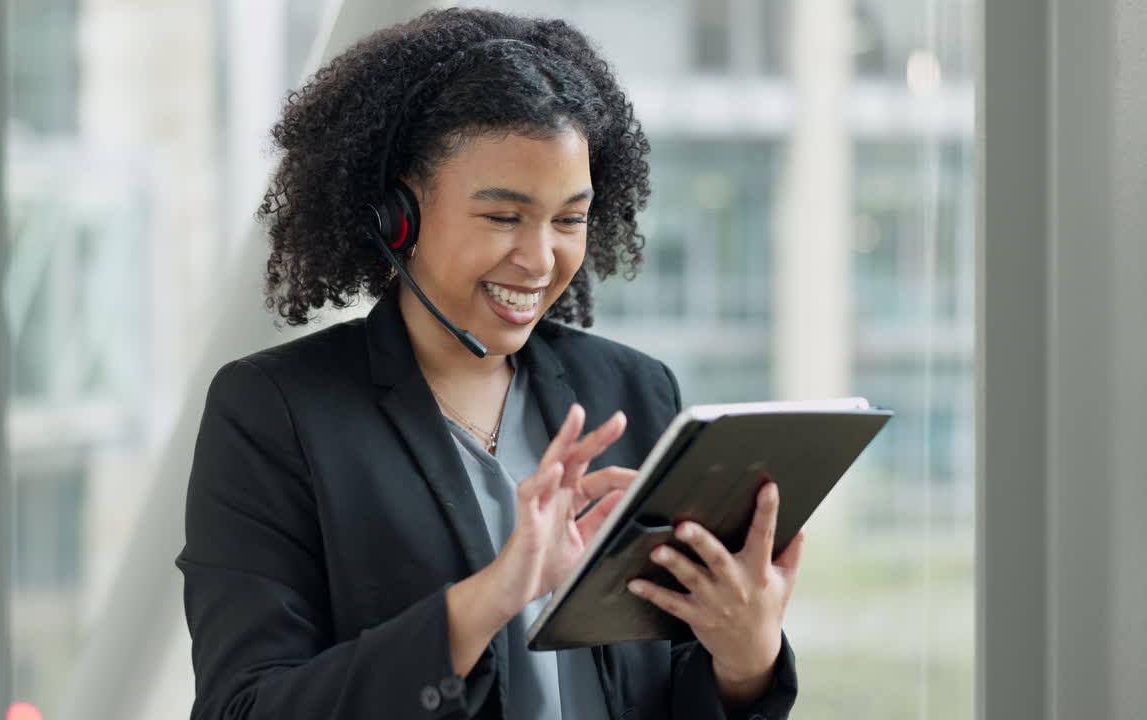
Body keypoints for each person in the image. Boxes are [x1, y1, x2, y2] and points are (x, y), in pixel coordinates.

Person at [176, 7, 804, 719]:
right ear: (397, 216)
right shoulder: (275, 413)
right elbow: (245, 707)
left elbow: (670, 687)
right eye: (504, 217)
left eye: (569, 219)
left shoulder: (634, 390)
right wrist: (492, 598)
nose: (540, 259)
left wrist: (746, 658)